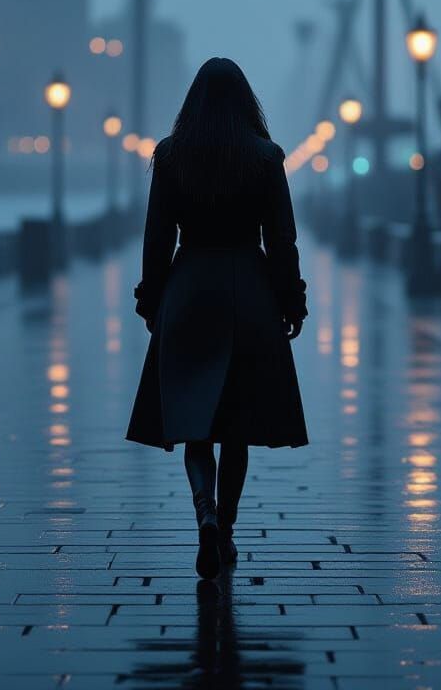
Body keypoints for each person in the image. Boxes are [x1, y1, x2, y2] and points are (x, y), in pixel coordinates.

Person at [126, 57, 309, 580]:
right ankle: (224, 530)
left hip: (189, 292)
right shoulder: (266, 157)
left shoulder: (170, 156)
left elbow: (156, 238)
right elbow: (282, 240)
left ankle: (203, 511)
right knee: (237, 427)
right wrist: (290, 301)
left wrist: (152, 299)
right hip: (247, 292)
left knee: (194, 423)